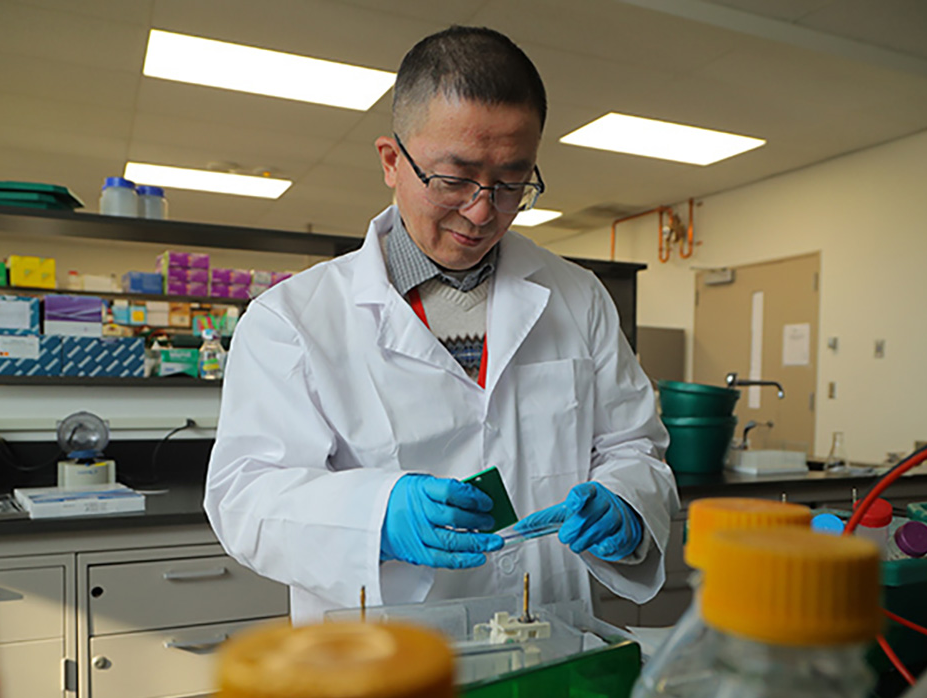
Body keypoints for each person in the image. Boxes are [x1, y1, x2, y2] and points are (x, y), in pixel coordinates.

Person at [205, 25, 679, 624]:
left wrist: (626, 502)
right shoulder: (292, 320)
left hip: (550, 640)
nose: (482, 211)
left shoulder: (576, 296)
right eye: (454, 179)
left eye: (512, 183)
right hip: (381, 657)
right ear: (391, 161)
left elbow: (633, 444)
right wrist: (377, 513)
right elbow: (245, 498)